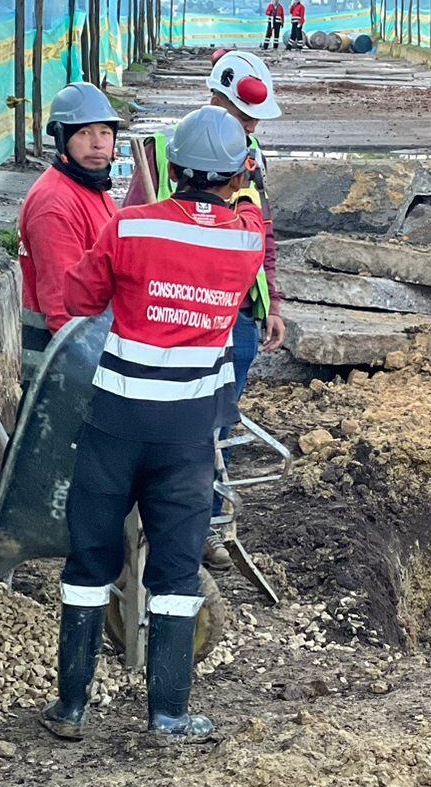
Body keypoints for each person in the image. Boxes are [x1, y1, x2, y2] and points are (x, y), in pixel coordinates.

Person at [42, 106, 268, 742]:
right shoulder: (247, 239)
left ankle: (70, 708)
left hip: (115, 420)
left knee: (90, 556)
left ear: (172, 168)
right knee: (174, 566)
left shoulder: (130, 227)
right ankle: (167, 713)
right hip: (187, 432)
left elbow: (83, 300)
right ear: (234, 175)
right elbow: (249, 212)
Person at [125, 50, 285, 570]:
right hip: (177, 315)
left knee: (216, 425)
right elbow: (130, 229)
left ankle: (206, 522)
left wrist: (272, 303)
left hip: (236, 317)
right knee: (176, 424)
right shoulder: (162, 155)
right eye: (243, 117)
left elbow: (265, 237)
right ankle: (164, 520)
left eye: (254, 121)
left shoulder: (252, 158)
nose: (250, 127)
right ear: (215, 99)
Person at [17, 83, 121, 382]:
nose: (98, 143)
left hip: (92, 348)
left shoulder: (91, 188)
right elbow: (62, 305)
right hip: (64, 366)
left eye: (104, 131)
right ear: (62, 139)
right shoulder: (54, 204)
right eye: (84, 133)